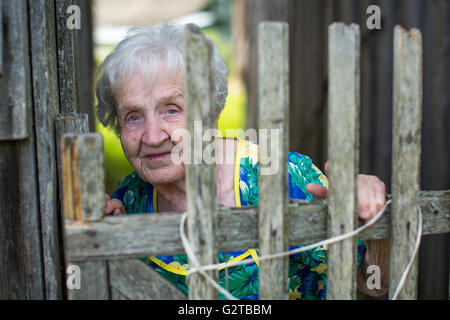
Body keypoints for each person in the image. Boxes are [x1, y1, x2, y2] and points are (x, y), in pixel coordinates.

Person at [97, 23, 389, 299]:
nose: (151, 136)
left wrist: (373, 220)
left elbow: (374, 284)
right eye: (133, 116)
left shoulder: (279, 177)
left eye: (171, 110)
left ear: (212, 113)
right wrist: (110, 245)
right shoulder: (131, 198)